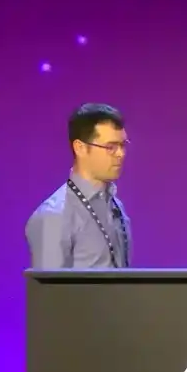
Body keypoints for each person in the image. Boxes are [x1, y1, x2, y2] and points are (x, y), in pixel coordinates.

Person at [26, 103, 133, 269]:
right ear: (80, 148)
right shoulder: (53, 216)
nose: (120, 154)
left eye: (122, 145)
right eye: (110, 147)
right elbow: (50, 285)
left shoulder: (116, 206)